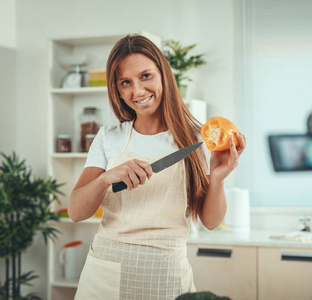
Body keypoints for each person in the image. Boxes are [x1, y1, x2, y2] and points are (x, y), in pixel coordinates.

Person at [68, 34, 246, 300]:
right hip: (104, 276)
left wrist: (218, 179)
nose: (137, 91)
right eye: (125, 82)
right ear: (116, 90)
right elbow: (75, 211)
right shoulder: (108, 137)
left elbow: (211, 221)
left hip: (166, 276)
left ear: (164, 75)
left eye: (146, 76)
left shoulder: (196, 139)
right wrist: (106, 178)